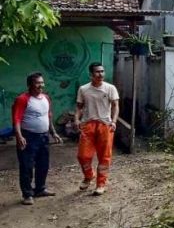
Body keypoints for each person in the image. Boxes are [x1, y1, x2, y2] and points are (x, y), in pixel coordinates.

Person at [12, 73, 62, 205]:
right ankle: (27, 194)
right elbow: (16, 119)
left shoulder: (46, 98)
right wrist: (19, 136)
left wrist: (54, 133)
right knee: (27, 166)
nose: (41, 85)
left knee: (43, 165)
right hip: (28, 137)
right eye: (37, 83)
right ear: (30, 85)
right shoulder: (22, 99)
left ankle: (40, 189)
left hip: (44, 137)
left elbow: (48, 117)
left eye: (42, 82)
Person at [74, 62, 119, 196]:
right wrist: (76, 119)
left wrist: (114, 121)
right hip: (88, 125)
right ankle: (88, 176)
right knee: (83, 156)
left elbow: (116, 105)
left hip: (105, 125)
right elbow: (79, 107)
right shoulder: (83, 89)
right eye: (97, 72)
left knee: (104, 156)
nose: (101, 74)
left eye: (102, 71)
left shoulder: (110, 88)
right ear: (91, 74)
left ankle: (101, 183)